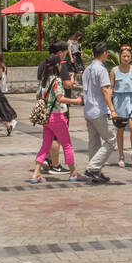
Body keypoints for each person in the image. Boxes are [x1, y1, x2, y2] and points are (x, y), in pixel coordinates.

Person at [29, 54, 86, 185]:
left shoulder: (43, 80)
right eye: (61, 64)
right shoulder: (57, 81)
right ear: (57, 66)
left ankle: (36, 173)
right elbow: (60, 98)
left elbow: (38, 96)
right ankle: (73, 173)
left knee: (45, 145)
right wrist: (76, 101)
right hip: (57, 116)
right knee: (67, 144)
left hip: (46, 118)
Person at [82, 41, 119, 183]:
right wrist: (113, 110)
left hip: (89, 111)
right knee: (111, 140)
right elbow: (105, 90)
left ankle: (95, 172)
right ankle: (92, 168)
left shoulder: (88, 69)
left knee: (94, 142)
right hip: (99, 111)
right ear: (104, 53)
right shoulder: (101, 69)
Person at [37, 42, 75, 172]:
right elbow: (67, 84)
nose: (65, 56)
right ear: (60, 53)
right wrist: (73, 78)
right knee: (57, 138)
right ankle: (55, 164)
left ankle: (47, 160)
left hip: (46, 109)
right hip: (58, 108)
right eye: (65, 53)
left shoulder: (43, 64)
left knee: (48, 137)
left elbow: (39, 87)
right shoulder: (60, 66)